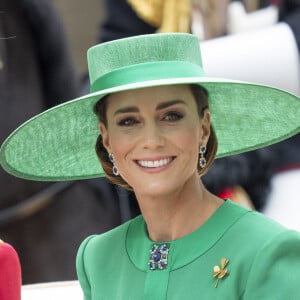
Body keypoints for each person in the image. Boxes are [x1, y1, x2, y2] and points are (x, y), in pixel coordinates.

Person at [0, 33, 300, 298]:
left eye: (171, 116)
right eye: (128, 121)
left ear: (204, 127)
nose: (151, 141)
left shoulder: (267, 251)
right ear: (106, 139)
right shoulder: (97, 259)